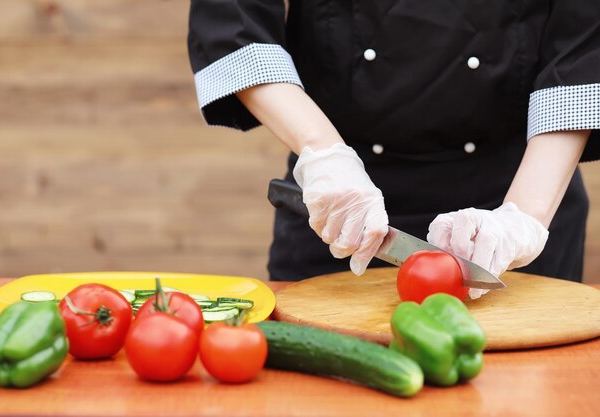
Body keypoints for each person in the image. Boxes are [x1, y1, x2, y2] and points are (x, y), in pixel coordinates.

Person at [187, 1, 599, 296]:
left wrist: (522, 217)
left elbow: (585, 49)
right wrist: (325, 155)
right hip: (341, 211)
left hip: (516, 195)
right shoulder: (337, 189)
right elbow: (234, 24)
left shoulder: (518, 216)